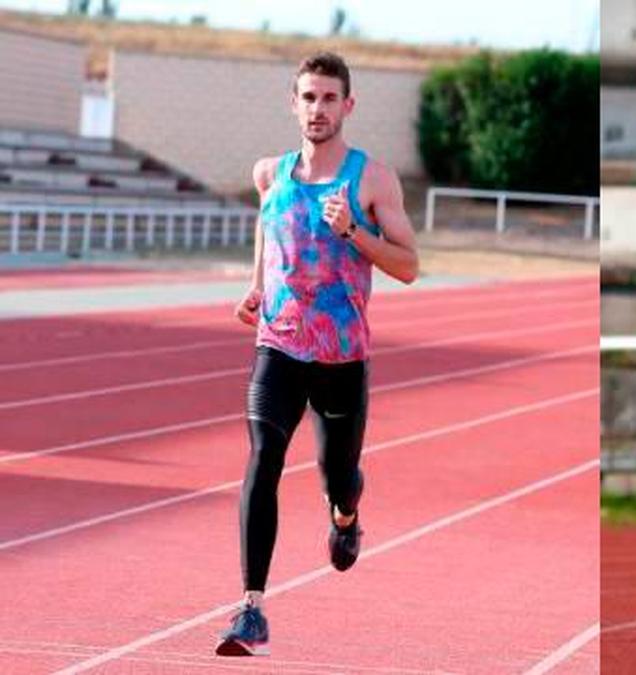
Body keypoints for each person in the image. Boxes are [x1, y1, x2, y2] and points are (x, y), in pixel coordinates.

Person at [216, 51, 420, 657]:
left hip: (340, 358)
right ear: (294, 103)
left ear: (347, 106)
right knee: (263, 458)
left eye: (329, 98)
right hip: (278, 344)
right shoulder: (269, 174)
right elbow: (266, 222)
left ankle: (345, 518)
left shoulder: (372, 180)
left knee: (338, 478)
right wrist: (257, 283)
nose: (318, 109)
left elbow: (409, 265)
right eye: (308, 97)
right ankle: (251, 609)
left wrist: (354, 233)